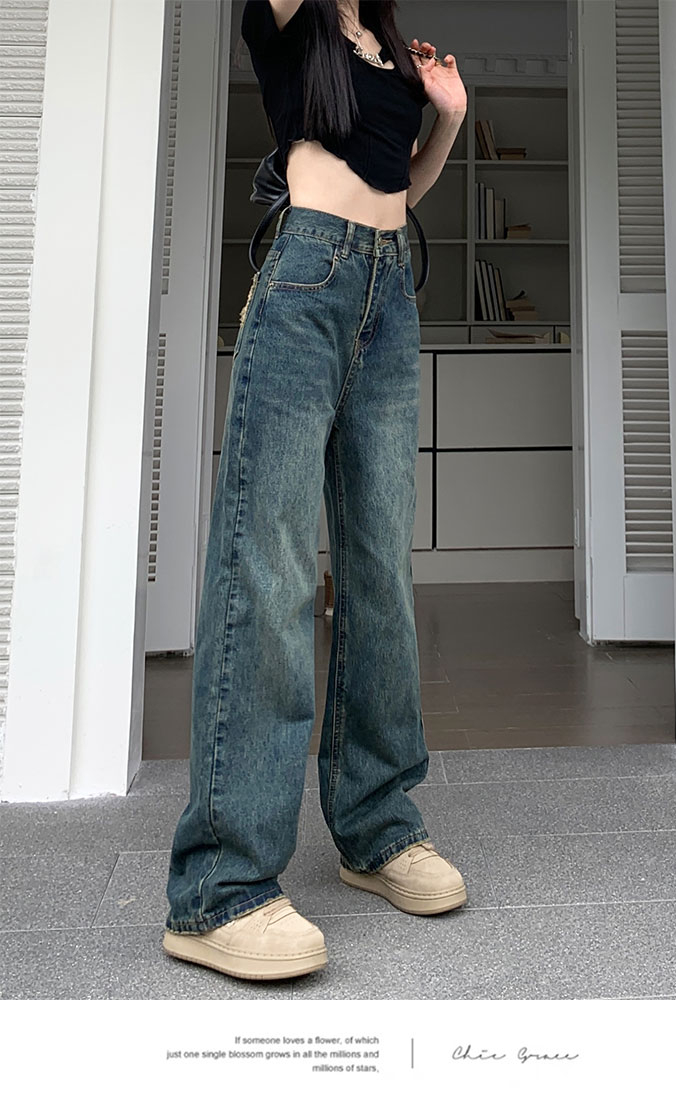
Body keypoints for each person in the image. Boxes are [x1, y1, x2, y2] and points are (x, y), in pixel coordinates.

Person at [162, 0, 468, 982]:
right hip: (306, 283)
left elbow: (402, 185)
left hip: (388, 291)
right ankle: (220, 889)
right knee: (274, 568)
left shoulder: (387, 44)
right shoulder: (292, 21)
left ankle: (378, 828)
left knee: (380, 570)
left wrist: (447, 116)